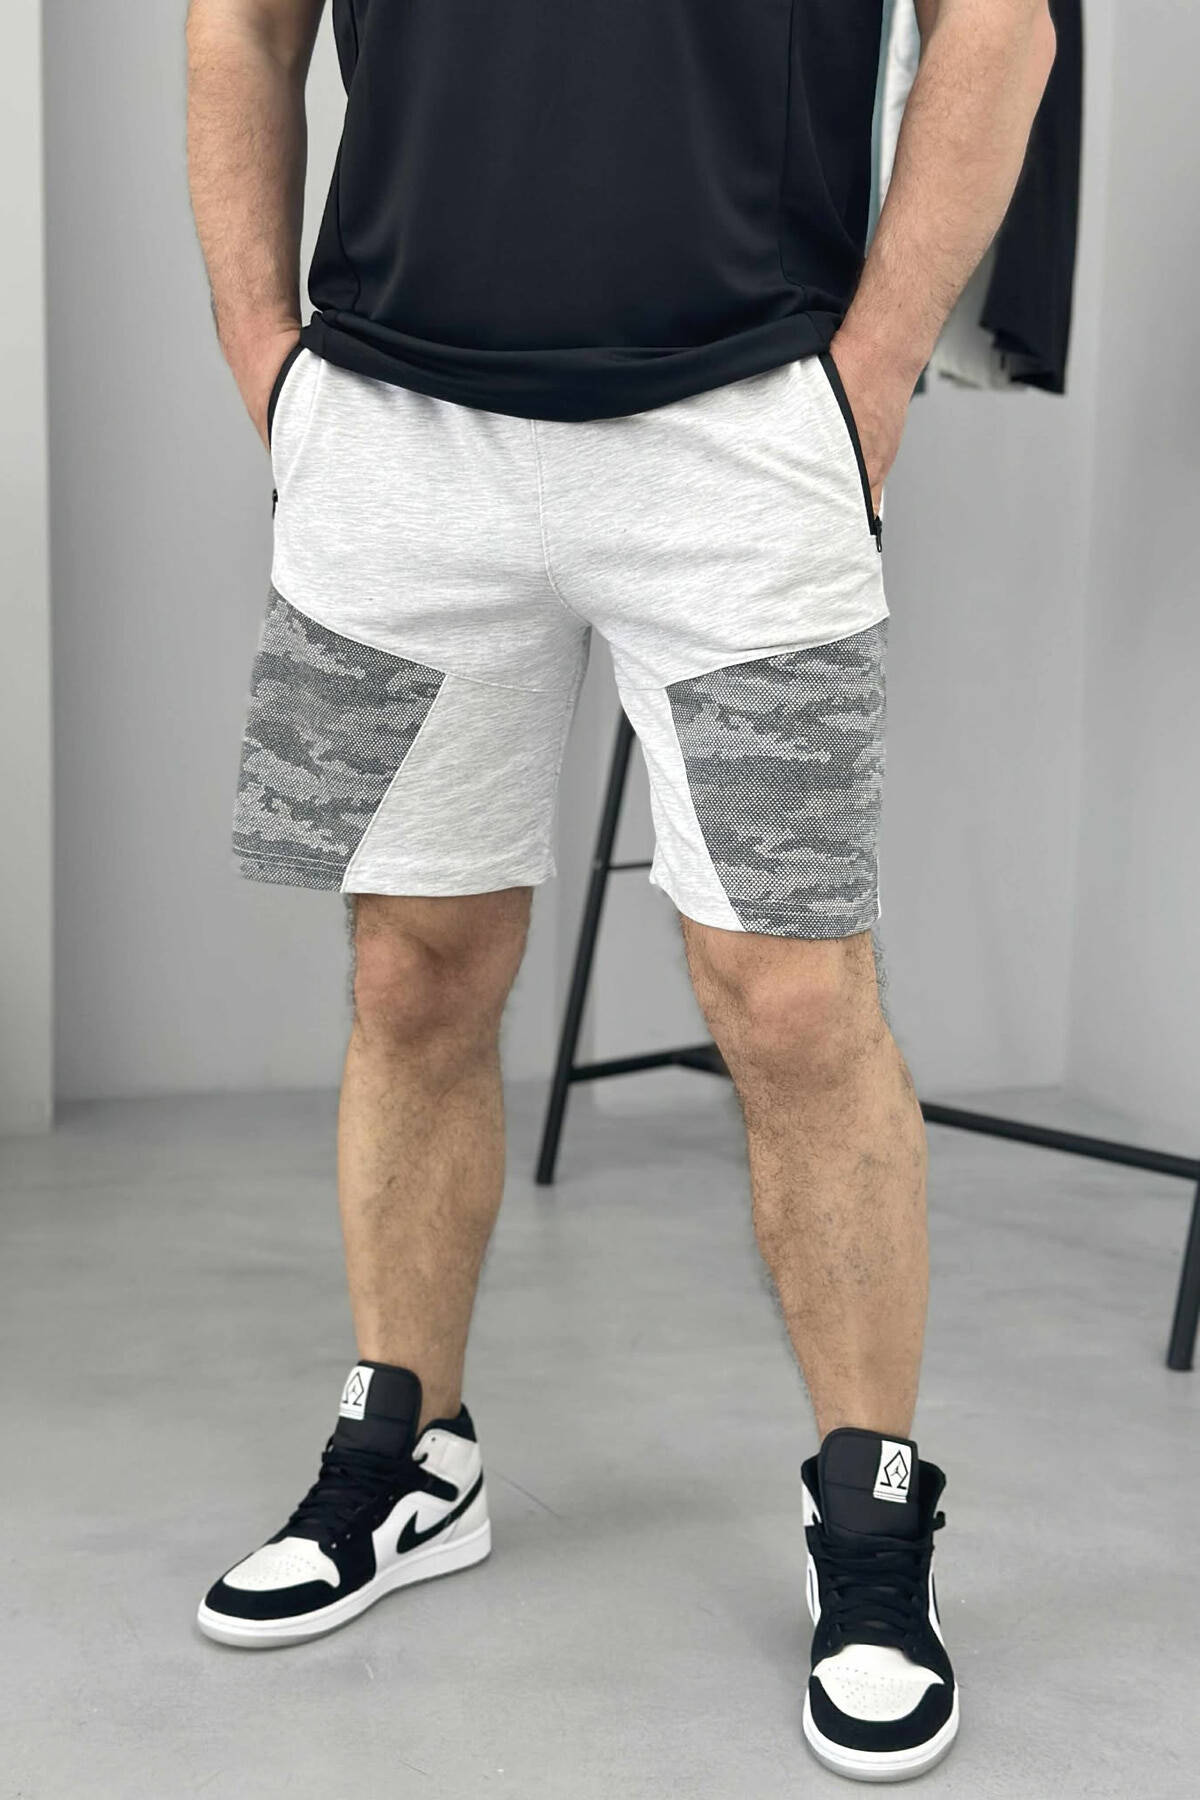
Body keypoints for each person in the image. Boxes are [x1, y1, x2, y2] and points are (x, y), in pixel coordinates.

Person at [186, 0, 1054, 1780]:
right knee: (411, 970)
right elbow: (240, 27)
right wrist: (263, 353)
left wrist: (879, 368)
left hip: (742, 434)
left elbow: (999, 21)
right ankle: (408, 1454)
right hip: (390, 434)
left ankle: (872, 1520)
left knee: (794, 1000)